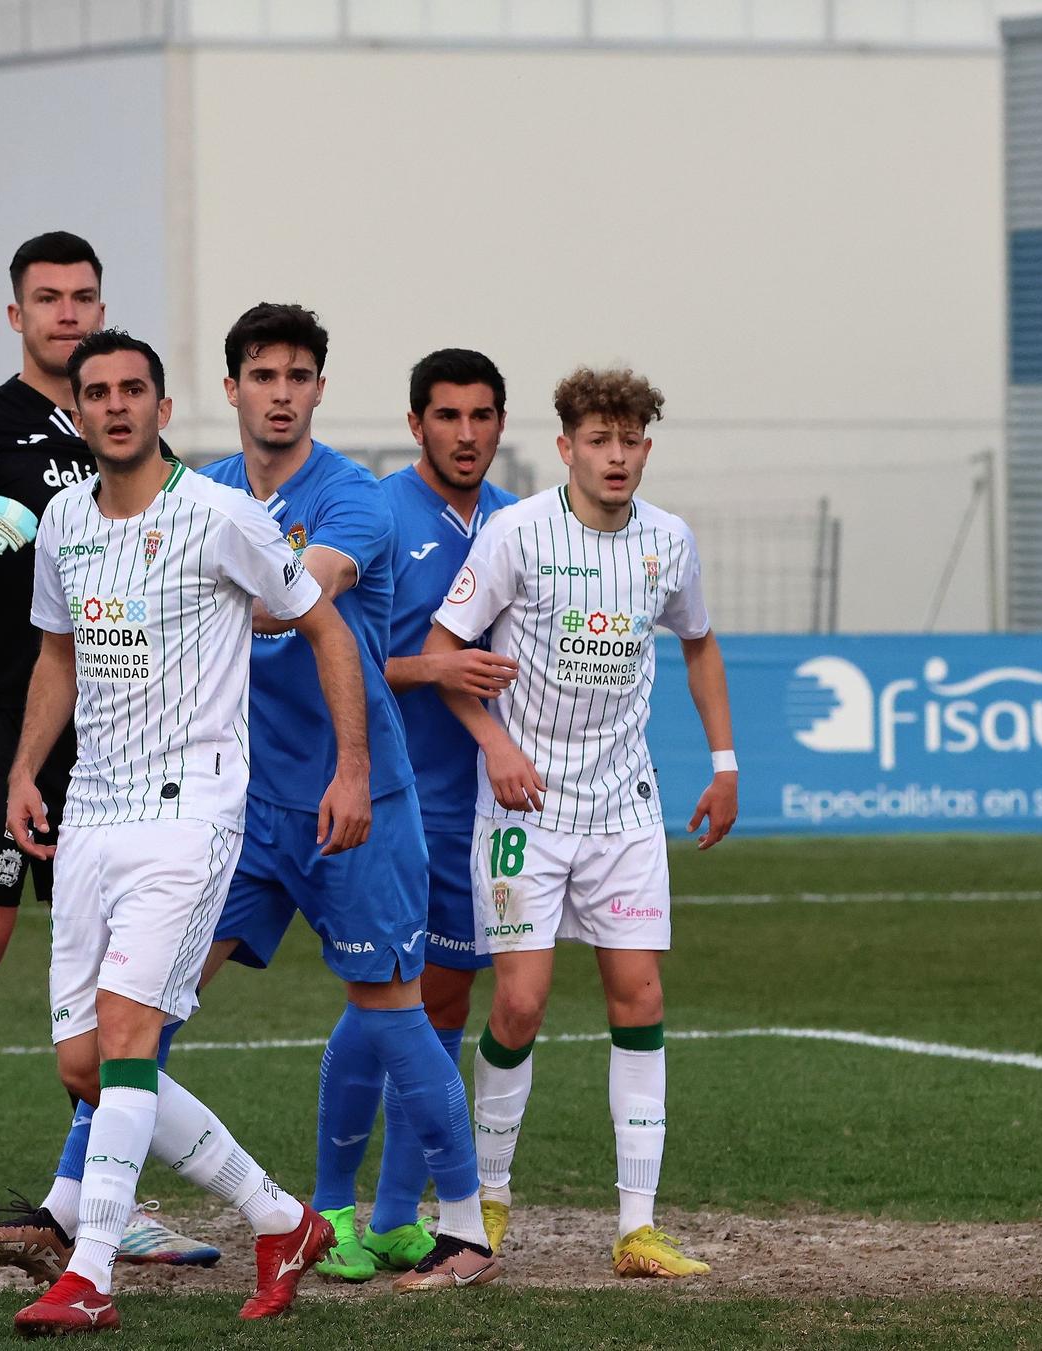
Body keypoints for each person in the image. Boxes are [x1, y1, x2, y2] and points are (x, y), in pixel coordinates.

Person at [4, 329, 345, 1333]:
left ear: (162, 407)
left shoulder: (223, 515)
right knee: (87, 1065)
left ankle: (90, 1275)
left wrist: (354, 766)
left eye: (133, 390)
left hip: (190, 813)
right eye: (96, 392)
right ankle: (279, 1217)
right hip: (90, 814)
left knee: (125, 1036)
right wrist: (23, 768)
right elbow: (57, 654)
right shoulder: (63, 519)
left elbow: (321, 624)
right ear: (76, 413)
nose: (115, 405)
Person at [192, 303, 499, 1292]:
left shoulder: (354, 499)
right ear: (231, 387)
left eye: (297, 376)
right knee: (147, 1006)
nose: (280, 392)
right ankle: (78, 1211)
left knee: (396, 1008)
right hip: (241, 808)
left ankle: (461, 1230)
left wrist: (185, 582)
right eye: (262, 375)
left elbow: (293, 597)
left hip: (354, 798)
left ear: (319, 389)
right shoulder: (201, 492)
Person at [0, 234, 216, 1283]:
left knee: (118, 980)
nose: (65, 312)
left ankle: (104, 1202)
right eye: (46, 298)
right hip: (7, 716)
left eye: (82, 296)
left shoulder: (125, 426)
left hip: (128, 732)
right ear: (16, 316)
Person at [423, 365, 738, 1278]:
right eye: (599, 440)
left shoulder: (669, 541)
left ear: (647, 447)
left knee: (639, 997)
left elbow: (699, 643)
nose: (616, 456)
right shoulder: (517, 533)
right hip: (523, 809)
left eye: (630, 440)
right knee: (519, 1003)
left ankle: (637, 1227)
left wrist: (724, 763)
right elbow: (444, 654)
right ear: (566, 447)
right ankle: (488, 1197)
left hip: (623, 809)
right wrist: (495, 744)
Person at [342, 349, 518, 1263]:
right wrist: (435, 666)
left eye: (481, 415)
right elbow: (338, 650)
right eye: (447, 415)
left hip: (485, 807)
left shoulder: (517, 522)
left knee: (444, 998)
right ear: (416, 424)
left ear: (500, 424)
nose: (465, 432)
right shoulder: (378, 514)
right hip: (399, 798)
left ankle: (391, 1215)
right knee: (384, 995)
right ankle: (334, 1209)